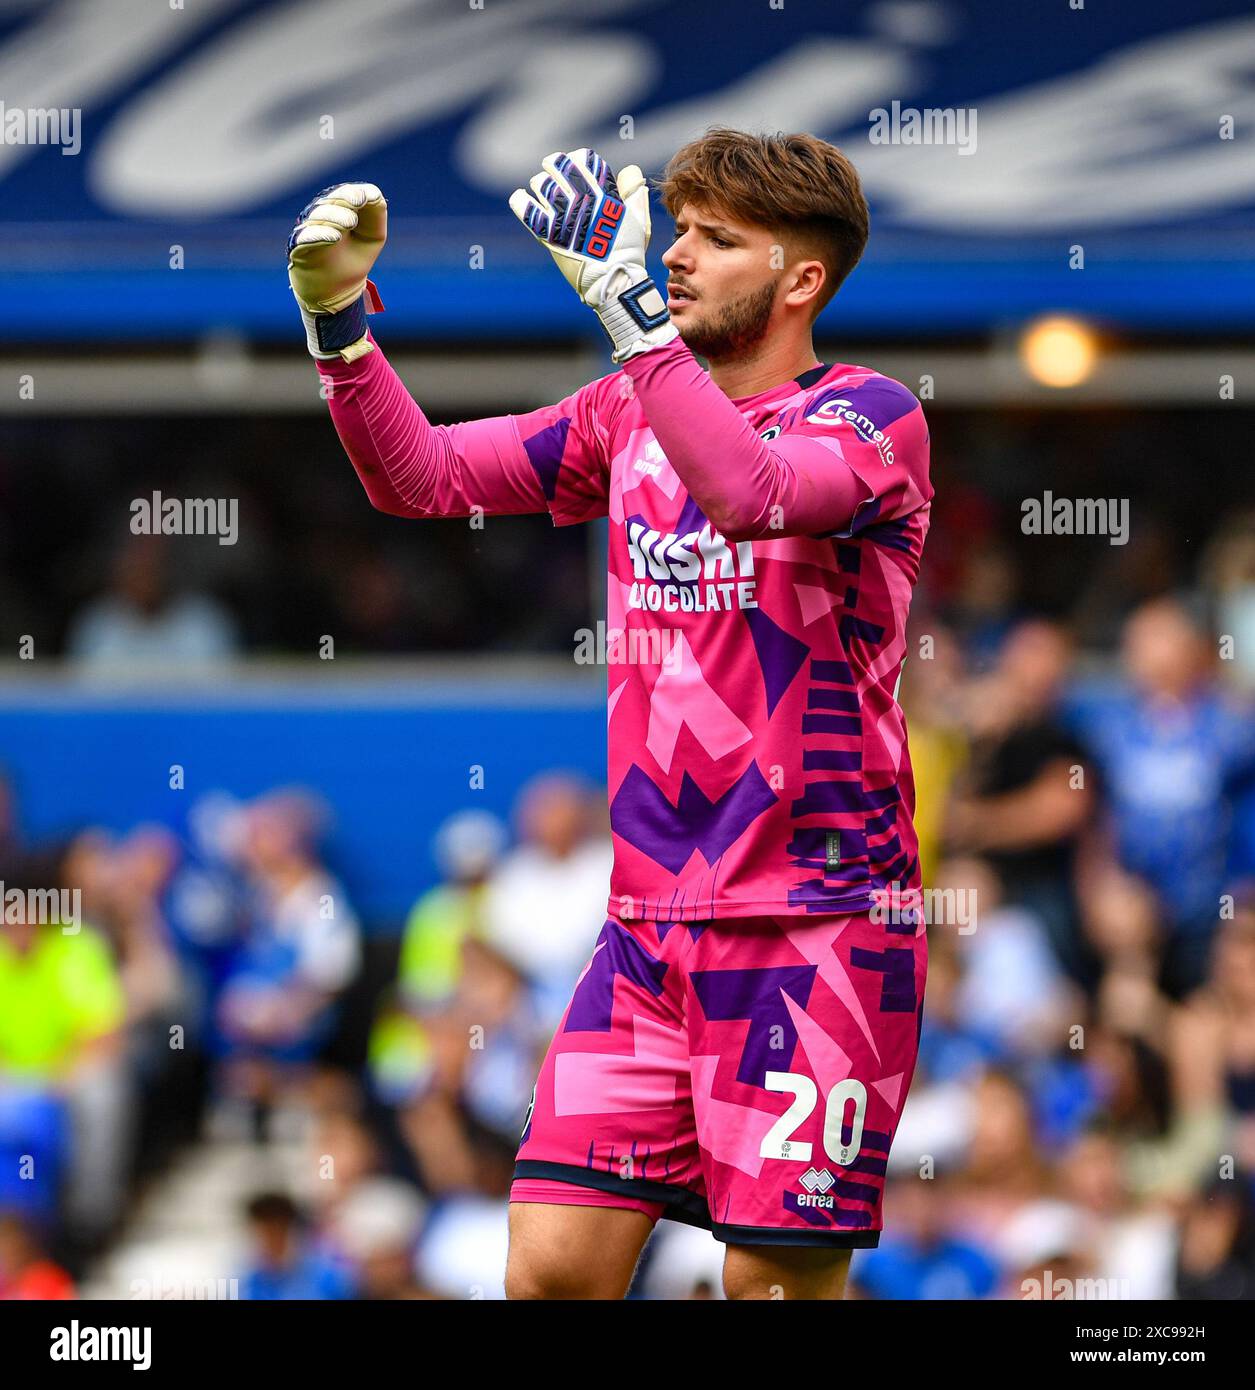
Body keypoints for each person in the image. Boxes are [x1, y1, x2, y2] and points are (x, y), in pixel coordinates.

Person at [289, 128, 932, 1300]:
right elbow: (420, 475)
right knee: (549, 1268)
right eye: (676, 230)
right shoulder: (623, 413)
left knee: (770, 1288)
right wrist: (340, 327)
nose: (675, 255)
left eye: (716, 240)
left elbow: (755, 492)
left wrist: (634, 325)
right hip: (645, 933)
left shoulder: (870, 419)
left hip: (817, 928)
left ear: (801, 282)